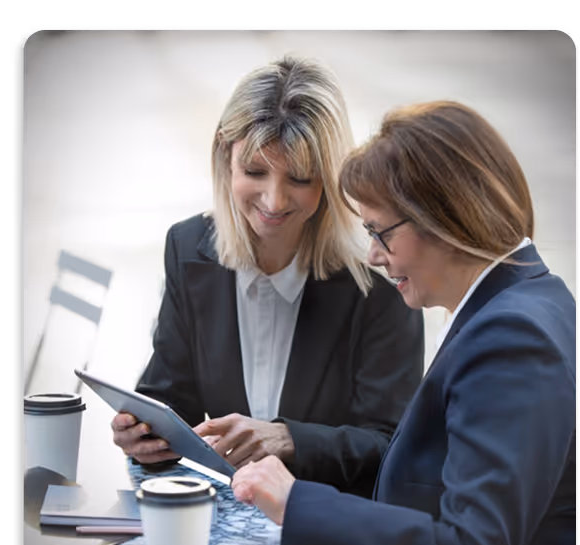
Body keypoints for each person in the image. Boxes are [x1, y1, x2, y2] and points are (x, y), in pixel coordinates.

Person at [230, 100, 577, 545]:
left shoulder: (511, 338)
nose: (372, 254)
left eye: (379, 231)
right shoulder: (533, 298)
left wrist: (300, 505)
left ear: (444, 217)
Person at [110, 56, 424, 496]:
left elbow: (394, 444)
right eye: (255, 171)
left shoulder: (377, 278)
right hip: (220, 518)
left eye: (300, 178)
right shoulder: (187, 248)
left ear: (331, 176)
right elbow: (169, 395)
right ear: (226, 155)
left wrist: (290, 439)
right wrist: (141, 434)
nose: (274, 202)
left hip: (329, 521)